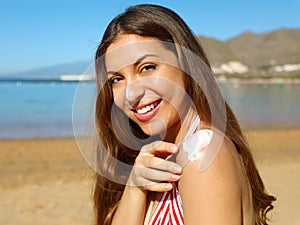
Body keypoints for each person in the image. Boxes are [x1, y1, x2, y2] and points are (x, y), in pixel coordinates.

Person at [91, 4, 276, 225]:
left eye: (148, 67)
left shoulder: (202, 155)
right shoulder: (160, 157)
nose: (131, 93)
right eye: (116, 80)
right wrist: (134, 186)